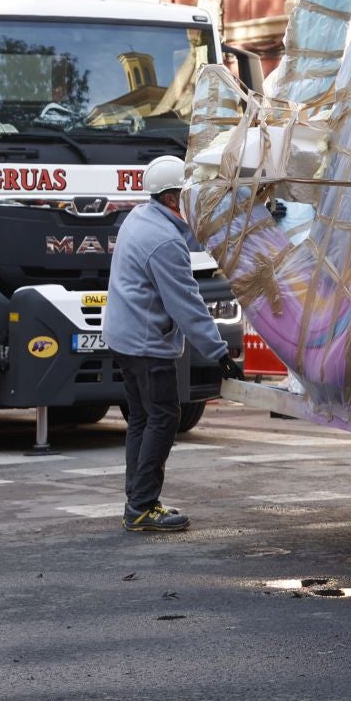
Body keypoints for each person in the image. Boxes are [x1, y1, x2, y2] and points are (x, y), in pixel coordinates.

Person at [102, 155, 239, 533]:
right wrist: (218, 352)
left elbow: (189, 240)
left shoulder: (140, 218)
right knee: (164, 417)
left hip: (125, 338)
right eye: (190, 196)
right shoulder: (163, 242)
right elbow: (186, 303)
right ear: (173, 199)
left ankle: (137, 500)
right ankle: (143, 507)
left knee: (143, 417)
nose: (196, 203)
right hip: (147, 344)